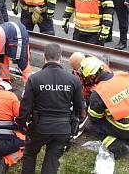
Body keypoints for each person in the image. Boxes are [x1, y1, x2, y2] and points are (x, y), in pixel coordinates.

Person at [17, 43, 85, 174]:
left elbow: (25, 106)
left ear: (44, 57)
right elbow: (80, 108)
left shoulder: (34, 79)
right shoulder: (73, 80)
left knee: (30, 153)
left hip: (39, 127)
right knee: (52, 159)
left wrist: (21, 125)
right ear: (60, 57)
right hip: (63, 129)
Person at [80, 56, 129, 158]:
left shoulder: (98, 93)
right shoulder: (128, 75)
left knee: (91, 124)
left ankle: (119, 147)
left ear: (91, 76)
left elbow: (94, 117)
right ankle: (123, 134)